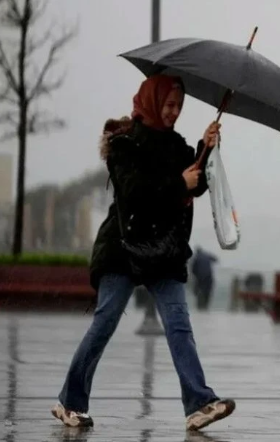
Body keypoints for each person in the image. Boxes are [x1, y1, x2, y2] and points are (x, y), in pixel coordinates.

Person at [52, 74, 236, 432]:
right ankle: (69, 402)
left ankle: (199, 403)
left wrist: (206, 146)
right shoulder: (124, 145)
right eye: (169, 105)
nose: (174, 113)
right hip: (122, 247)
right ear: (151, 101)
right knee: (105, 322)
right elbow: (135, 193)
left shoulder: (177, 145)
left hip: (162, 250)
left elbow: (194, 181)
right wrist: (177, 183)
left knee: (179, 325)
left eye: (179, 107)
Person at [190, 246, 218, 310]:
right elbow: (215, 259)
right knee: (208, 291)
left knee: (198, 290)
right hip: (209, 276)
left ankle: (199, 305)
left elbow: (193, 269)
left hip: (200, 277)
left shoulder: (196, 257)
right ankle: (206, 305)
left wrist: (195, 276)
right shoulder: (207, 255)